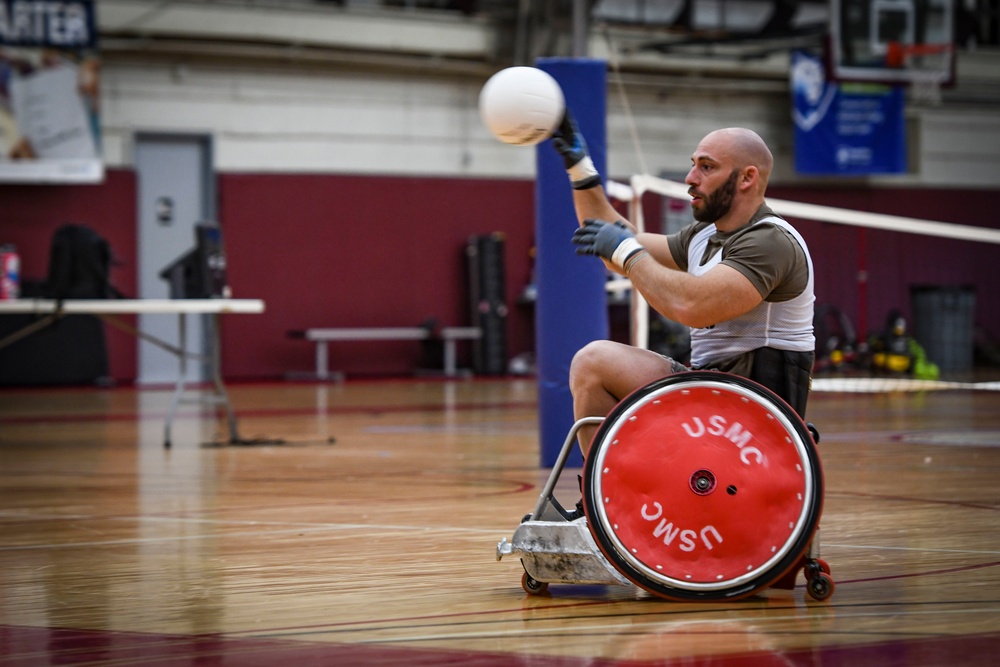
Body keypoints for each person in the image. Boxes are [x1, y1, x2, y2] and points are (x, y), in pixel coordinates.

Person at [551, 110, 816, 456]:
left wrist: (626, 251)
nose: (691, 177)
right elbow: (613, 242)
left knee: (596, 359)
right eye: (693, 164)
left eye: (706, 167)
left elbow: (690, 305)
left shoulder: (770, 242)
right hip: (713, 393)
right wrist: (581, 171)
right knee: (593, 363)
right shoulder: (705, 235)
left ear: (747, 178)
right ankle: (603, 498)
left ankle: (611, 498)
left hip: (755, 415)